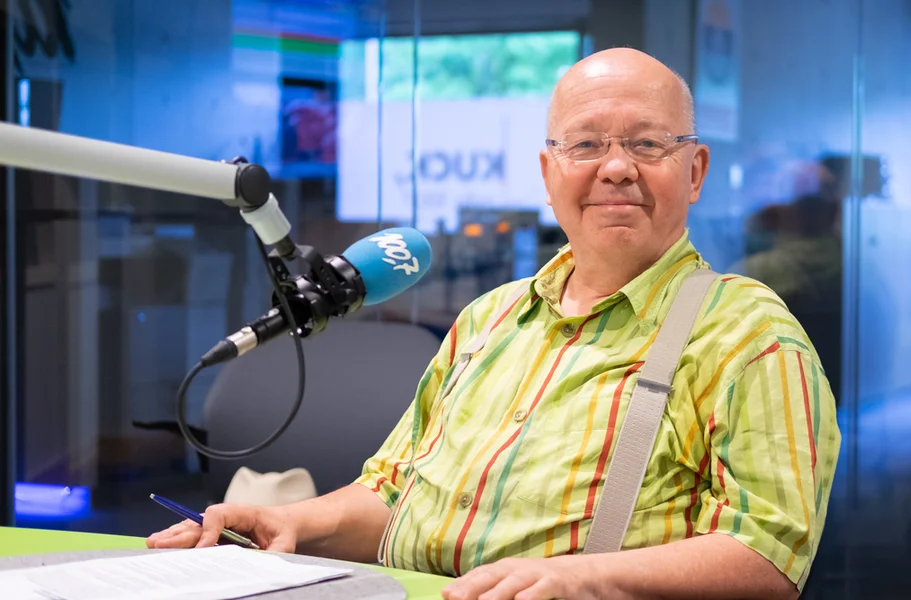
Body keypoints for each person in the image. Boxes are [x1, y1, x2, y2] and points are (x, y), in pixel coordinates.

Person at [148, 48, 841, 600]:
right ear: (548, 172)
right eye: (586, 144)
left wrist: (586, 580)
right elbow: (397, 494)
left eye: (647, 144)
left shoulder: (750, 336)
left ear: (694, 171)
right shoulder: (490, 317)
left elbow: (767, 557)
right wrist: (291, 522)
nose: (616, 167)